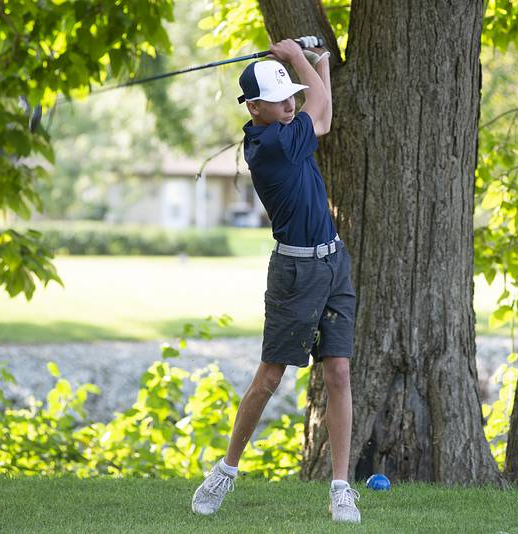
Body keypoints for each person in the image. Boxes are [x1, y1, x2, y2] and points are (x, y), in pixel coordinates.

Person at [191, 37, 360, 524]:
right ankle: (225, 471)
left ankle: (341, 488)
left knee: (339, 373)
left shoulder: (288, 126)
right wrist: (294, 54)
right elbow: (320, 109)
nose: (291, 104)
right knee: (269, 377)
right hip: (295, 273)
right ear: (254, 108)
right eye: (281, 98)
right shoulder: (269, 145)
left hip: (333, 263)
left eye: (292, 96)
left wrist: (319, 61)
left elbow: (321, 116)